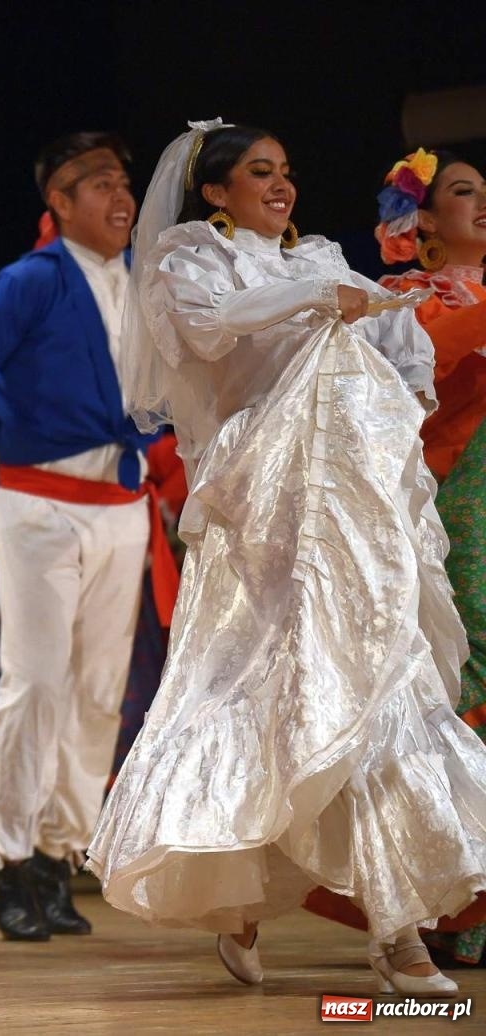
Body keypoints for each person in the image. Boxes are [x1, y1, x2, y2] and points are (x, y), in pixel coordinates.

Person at [88, 120, 486, 997]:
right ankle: (240, 901)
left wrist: (392, 350)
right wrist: (319, 304)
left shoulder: (321, 258)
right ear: (216, 192)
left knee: (381, 687)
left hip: (350, 508)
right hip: (263, 512)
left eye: (287, 172)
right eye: (259, 173)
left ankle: (400, 934)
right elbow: (211, 333)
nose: (280, 186)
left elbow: (398, 342)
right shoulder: (190, 262)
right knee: (271, 693)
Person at [0, 132, 162, 942]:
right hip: (40, 506)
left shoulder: (145, 285)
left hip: (121, 508)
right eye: (97, 183)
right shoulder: (28, 282)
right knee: (34, 681)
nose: (120, 196)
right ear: (58, 203)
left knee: (101, 687)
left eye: (124, 181)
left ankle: (62, 856)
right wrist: (7, 448)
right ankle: (11, 858)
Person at [304, 148, 486, 965]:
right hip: (457, 507)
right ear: (420, 221)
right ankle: (449, 897)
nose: (481, 204)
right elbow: (429, 372)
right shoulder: (405, 300)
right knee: (461, 673)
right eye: (462, 192)